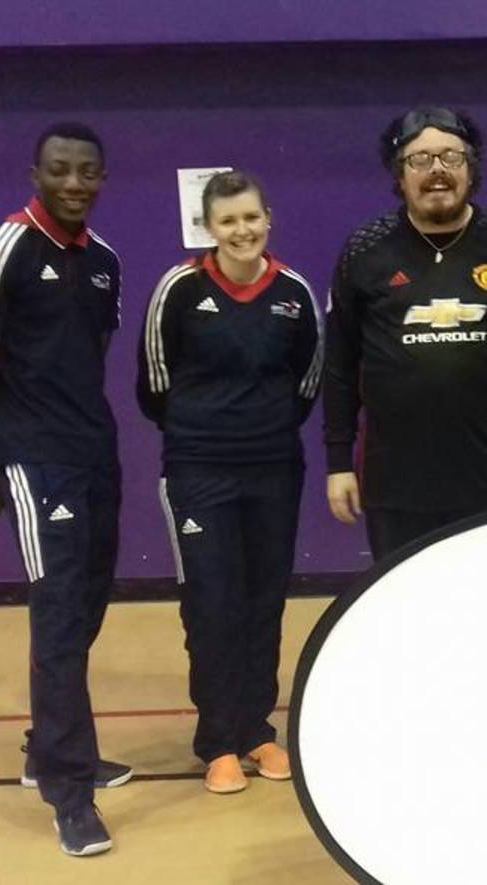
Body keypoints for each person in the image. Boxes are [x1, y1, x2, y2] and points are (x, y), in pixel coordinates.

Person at [0, 123, 130, 856]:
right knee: (57, 614)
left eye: (87, 171)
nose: (73, 182)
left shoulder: (105, 263)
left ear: (101, 177)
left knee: (85, 604)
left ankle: (46, 745)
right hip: (34, 459)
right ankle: (69, 789)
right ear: (36, 172)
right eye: (59, 169)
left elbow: (87, 356)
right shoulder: (3, 248)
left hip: (95, 452)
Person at [137, 171, 321, 794]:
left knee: (263, 601)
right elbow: (153, 382)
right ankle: (216, 740)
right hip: (198, 471)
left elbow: (306, 381)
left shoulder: (293, 292)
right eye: (228, 221)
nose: (241, 231)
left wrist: (259, 432)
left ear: (268, 217)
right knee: (213, 605)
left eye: (251, 218)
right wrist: (206, 431)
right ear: (209, 228)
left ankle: (256, 731)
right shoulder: (180, 289)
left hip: (273, 469)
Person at [324, 106, 487, 560]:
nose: (437, 171)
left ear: (471, 169)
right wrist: (337, 463)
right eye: (420, 159)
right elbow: (340, 367)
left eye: (451, 157)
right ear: (399, 173)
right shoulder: (364, 250)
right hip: (396, 484)